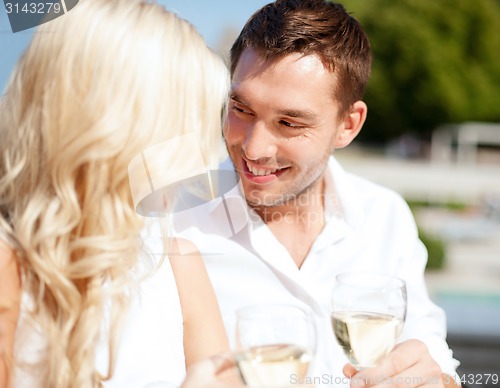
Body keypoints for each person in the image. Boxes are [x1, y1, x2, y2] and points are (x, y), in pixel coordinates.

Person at [169, 0, 461, 387]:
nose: (254, 148)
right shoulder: (173, 219)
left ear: (348, 125)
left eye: (289, 123)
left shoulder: (384, 216)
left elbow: (433, 358)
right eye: (241, 109)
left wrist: (437, 380)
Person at [0, 0, 239, 387]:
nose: (199, 161)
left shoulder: (177, 262)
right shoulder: (11, 266)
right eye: (184, 134)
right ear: (113, 135)